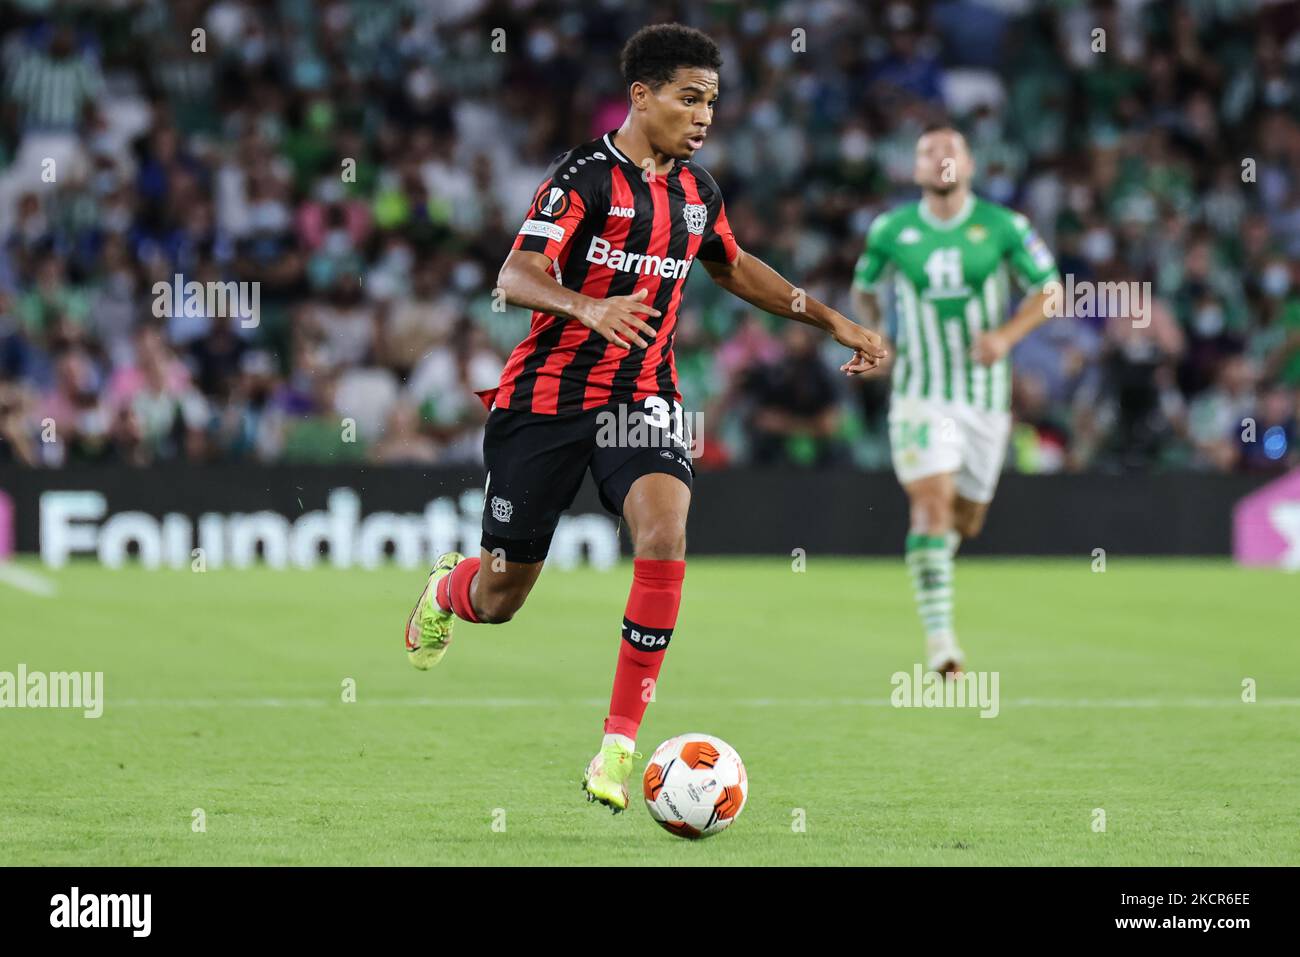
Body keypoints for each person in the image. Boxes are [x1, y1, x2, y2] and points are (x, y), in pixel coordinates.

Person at [403, 23, 885, 813]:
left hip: (641, 396)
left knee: (663, 533)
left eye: (713, 103)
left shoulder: (698, 193)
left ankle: (618, 747)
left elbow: (733, 266)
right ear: (642, 96)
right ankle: (445, 591)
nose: (704, 117)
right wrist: (586, 305)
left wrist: (829, 318)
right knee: (500, 595)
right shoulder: (585, 178)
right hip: (546, 401)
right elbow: (515, 273)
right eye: (689, 100)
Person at [851, 123, 1059, 676]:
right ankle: (942, 643)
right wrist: (877, 337)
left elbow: (1050, 290)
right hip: (920, 393)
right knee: (931, 506)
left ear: (970, 165)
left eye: (951, 150)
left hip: (985, 401)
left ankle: (938, 563)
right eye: (928, 152)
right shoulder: (891, 229)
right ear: (914, 169)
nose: (940, 159)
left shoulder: (1004, 225)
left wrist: (1004, 338)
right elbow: (864, 289)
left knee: (965, 521)